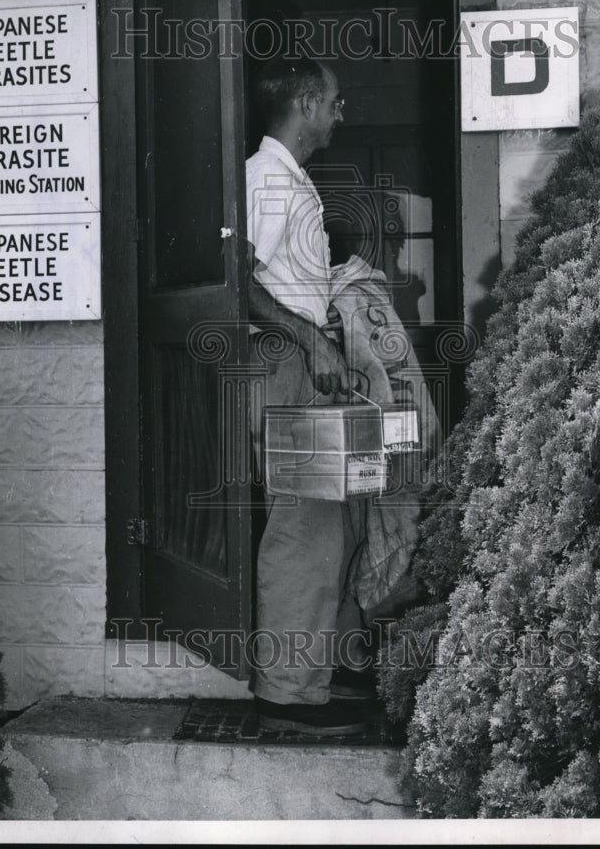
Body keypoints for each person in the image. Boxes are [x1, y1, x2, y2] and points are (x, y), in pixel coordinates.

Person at [245, 56, 372, 735]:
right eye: (334, 100)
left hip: (303, 361)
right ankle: (286, 696)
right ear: (304, 103)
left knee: (338, 516)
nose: (340, 112)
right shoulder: (264, 179)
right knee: (305, 524)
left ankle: (331, 665)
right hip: (286, 365)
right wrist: (311, 340)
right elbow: (233, 284)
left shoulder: (287, 181)